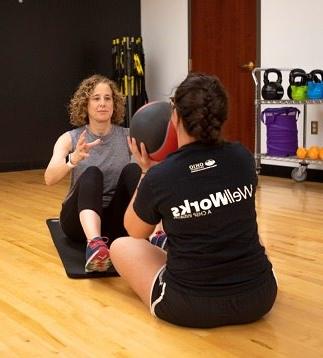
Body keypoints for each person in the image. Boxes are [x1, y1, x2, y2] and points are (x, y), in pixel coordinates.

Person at [110, 72, 277, 328]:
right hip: (259, 297)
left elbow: (134, 230)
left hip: (189, 306)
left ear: (174, 116)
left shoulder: (161, 175)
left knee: (121, 246)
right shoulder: (243, 158)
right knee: (241, 221)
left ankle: (174, 249)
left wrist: (146, 171)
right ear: (222, 116)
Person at [45, 74, 141, 273]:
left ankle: (157, 235)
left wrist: (146, 167)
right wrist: (74, 159)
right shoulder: (69, 138)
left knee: (134, 170)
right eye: (96, 98)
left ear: (114, 105)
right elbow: (49, 178)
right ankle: (95, 244)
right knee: (92, 173)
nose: (102, 103)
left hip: (116, 221)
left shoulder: (128, 136)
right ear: (85, 104)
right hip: (78, 223)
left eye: (107, 98)